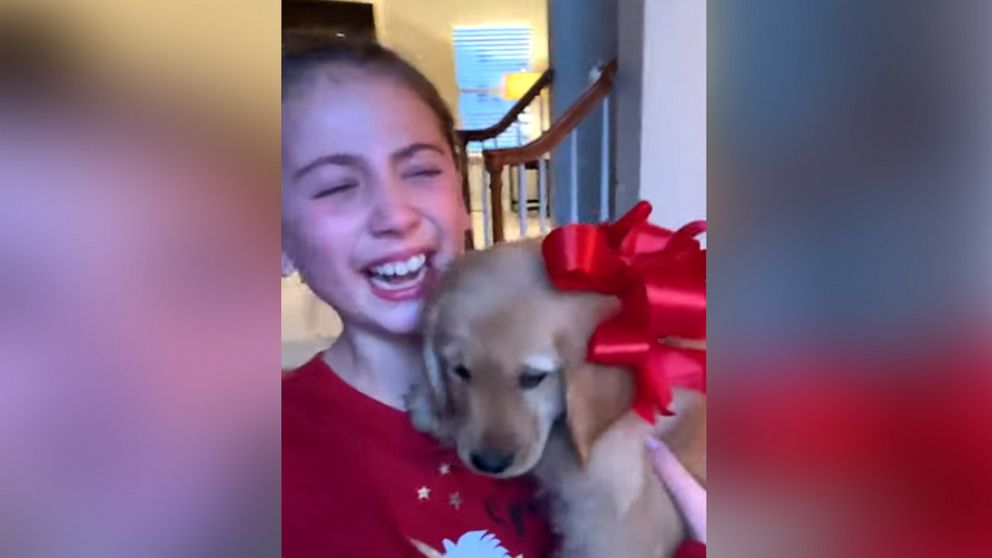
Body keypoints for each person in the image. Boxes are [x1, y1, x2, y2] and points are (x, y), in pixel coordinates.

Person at [281, 41, 706, 557]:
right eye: (336, 186)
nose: (394, 215)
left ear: (461, 197)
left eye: (420, 171)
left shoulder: (631, 367)